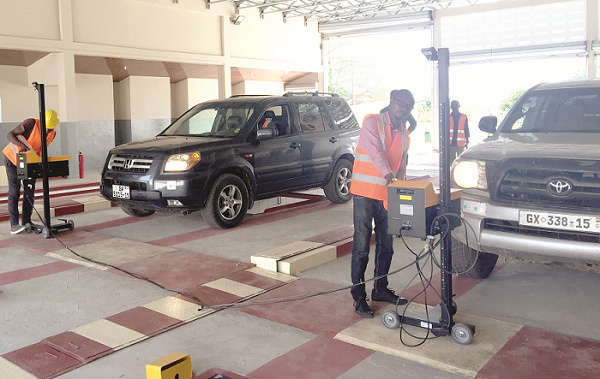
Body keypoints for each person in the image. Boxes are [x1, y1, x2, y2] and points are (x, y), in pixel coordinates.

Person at [349, 89, 414, 318]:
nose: (402, 107)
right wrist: (389, 177)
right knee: (361, 247)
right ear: (391, 101)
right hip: (365, 194)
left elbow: (402, 167)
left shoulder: (405, 135)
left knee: (387, 246)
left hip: (387, 198)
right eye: (399, 102)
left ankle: (380, 289)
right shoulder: (372, 122)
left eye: (407, 105)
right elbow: (376, 153)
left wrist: (402, 191)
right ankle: (359, 298)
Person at [3, 110, 59, 235]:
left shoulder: (52, 133)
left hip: (29, 162)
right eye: (46, 128)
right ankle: (14, 225)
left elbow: (40, 150)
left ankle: (26, 221)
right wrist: (21, 145)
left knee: (29, 191)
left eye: (50, 129)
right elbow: (10, 134)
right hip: (12, 159)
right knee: (15, 191)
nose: (47, 131)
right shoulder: (31, 123)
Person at [449, 100, 469, 164]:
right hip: (451, 144)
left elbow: (466, 129)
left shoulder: (464, 117)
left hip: (460, 144)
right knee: (451, 162)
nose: (454, 106)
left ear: (459, 106)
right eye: (453, 105)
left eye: (456, 105)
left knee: (460, 162)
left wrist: (467, 140)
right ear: (451, 107)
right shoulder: (448, 117)